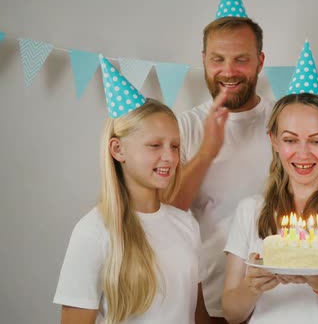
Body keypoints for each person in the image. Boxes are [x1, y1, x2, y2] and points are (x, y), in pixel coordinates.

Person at [170, 16, 318, 323]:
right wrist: (206, 153)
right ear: (204, 60)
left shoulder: (285, 120)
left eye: (241, 59)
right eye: (218, 59)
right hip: (211, 300)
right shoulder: (185, 127)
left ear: (260, 61)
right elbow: (164, 215)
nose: (228, 71)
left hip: (283, 302)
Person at [54, 55, 206, 324]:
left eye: (174, 145)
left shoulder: (187, 225)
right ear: (118, 149)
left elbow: (196, 317)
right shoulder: (93, 232)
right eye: (155, 145)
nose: (170, 157)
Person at [222, 93, 318, 324]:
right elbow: (232, 314)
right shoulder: (250, 211)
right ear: (274, 140)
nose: (304, 153)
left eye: (316, 141)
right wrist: (252, 286)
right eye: (290, 140)